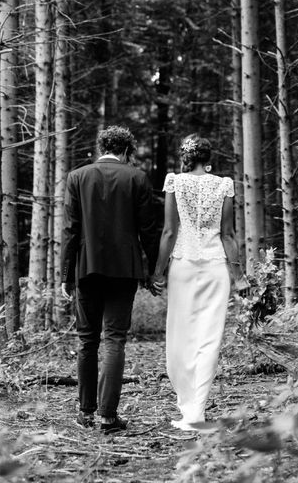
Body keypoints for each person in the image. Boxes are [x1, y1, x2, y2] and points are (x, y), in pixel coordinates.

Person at [61, 125, 160, 434]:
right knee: (115, 339)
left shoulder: (77, 177)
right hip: (124, 269)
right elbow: (149, 230)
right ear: (126, 150)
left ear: (99, 146)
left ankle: (85, 413)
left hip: (86, 268)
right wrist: (154, 269)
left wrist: (66, 275)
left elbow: (71, 230)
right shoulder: (137, 178)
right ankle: (107, 417)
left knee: (87, 340)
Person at [149, 134, 247, 431]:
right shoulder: (224, 184)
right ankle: (196, 413)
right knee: (209, 339)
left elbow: (169, 232)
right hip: (216, 267)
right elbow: (228, 235)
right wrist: (239, 277)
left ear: (186, 156)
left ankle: (188, 406)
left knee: (180, 337)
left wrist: (157, 272)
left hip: (183, 265)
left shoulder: (175, 182)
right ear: (208, 157)